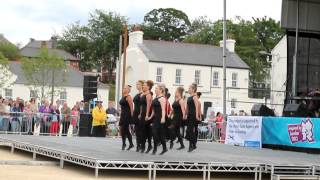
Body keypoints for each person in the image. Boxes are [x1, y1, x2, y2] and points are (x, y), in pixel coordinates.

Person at [148, 83, 168, 155]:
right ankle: (162, 148)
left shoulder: (162, 98)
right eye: (155, 88)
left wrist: (163, 118)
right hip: (155, 118)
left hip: (160, 118)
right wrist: (150, 117)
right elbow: (153, 110)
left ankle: (156, 148)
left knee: (158, 134)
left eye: (156, 88)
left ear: (160, 90)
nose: (155, 89)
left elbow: (163, 110)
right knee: (156, 133)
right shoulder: (156, 98)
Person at [139, 80, 154, 153]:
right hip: (142, 114)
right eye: (143, 85)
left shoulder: (149, 95)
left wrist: (147, 115)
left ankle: (145, 146)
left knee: (145, 130)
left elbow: (149, 105)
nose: (143, 86)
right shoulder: (143, 95)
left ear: (148, 87)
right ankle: (147, 145)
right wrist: (140, 113)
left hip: (146, 114)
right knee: (142, 130)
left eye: (144, 85)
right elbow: (141, 105)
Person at [185, 83, 200, 152]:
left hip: (193, 115)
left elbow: (197, 107)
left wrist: (197, 115)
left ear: (193, 89)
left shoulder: (195, 97)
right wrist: (185, 114)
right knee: (189, 131)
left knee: (190, 130)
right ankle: (192, 145)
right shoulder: (189, 97)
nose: (188, 89)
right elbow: (187, 107)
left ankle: (192, 145)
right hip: (189, 115)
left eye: (189, 88)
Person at [119, 85, 134, 150]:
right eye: (123, 88)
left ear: (128, 90)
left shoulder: (129, 97)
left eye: (125, 88)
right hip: (122, 114)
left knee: (124, 129)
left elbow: (131, 107)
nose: (123, 89)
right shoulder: (123, 97)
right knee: (125, 130)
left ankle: (124, 144)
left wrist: (132, 117)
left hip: (127, 115)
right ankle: (130, 144)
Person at [133, 80, 144, 152]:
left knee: (140, 130)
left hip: (140, 113)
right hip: (135, 113)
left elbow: (142, 105)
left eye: (138, 84)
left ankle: (141, 144)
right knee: (136, 129)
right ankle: (138, 145)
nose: (137, 85)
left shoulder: (142, 94)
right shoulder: (137, 94)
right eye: (136, 84)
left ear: (142, 85)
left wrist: (140, 113)